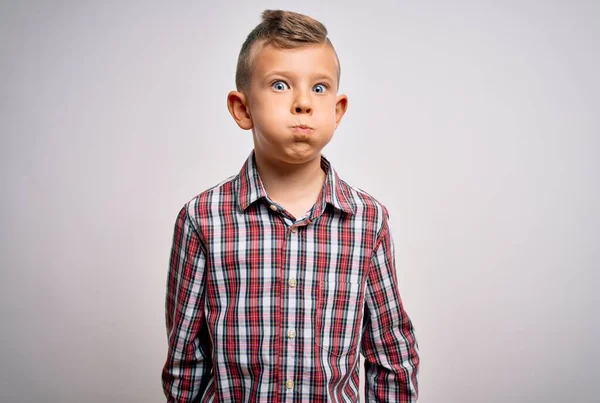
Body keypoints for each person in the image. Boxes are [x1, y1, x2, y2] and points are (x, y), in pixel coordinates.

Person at [162, 9, 420, 402]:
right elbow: (185, 360)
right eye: (280, 85)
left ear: (337, 111)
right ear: (242, 108)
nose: (303, 103)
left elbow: (392, 355)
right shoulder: (202, 219)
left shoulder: (368, 221)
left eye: (319, 88)